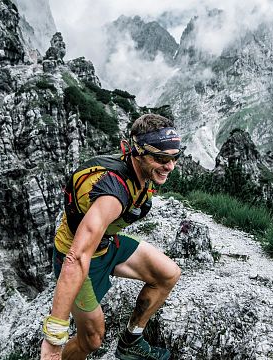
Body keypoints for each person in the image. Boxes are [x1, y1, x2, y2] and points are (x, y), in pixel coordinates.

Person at [40, 114, 183, 360]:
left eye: (174, 157)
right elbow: (76, 257)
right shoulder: (112, 195)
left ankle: (131, 342)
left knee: (167, 274)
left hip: (106, 245)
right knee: (92, 339)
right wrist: (54, 339)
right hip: (77, 258)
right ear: (138, 152)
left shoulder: (136, 169)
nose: (169, 166)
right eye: (161, 158)